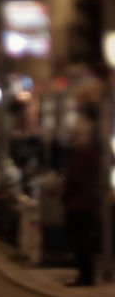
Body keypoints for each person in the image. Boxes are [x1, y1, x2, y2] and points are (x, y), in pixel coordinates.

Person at [62, 106, 102, 287]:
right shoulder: (94, 153)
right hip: (90, 202)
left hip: (79, 204)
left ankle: (85, 276)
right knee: (85, 239)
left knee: (80, 240)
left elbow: (74, 179)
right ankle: (87, 275)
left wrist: (65, 195)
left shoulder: (80, 154)